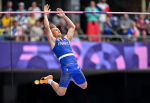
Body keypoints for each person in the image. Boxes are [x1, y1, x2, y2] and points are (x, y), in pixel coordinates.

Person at [40, 4, 87, 96]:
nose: (58, 30)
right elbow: (46, 28)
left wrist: (64, 16)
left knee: (84, 86)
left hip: (76, 67)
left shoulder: (66, 39)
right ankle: (49, 80)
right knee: (61, 93)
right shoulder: (53, 42)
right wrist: (45, 15)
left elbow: (72, 27)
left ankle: (72, 78)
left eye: (58, 29)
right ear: (52, 34)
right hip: (67, 69)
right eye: (56, 30)